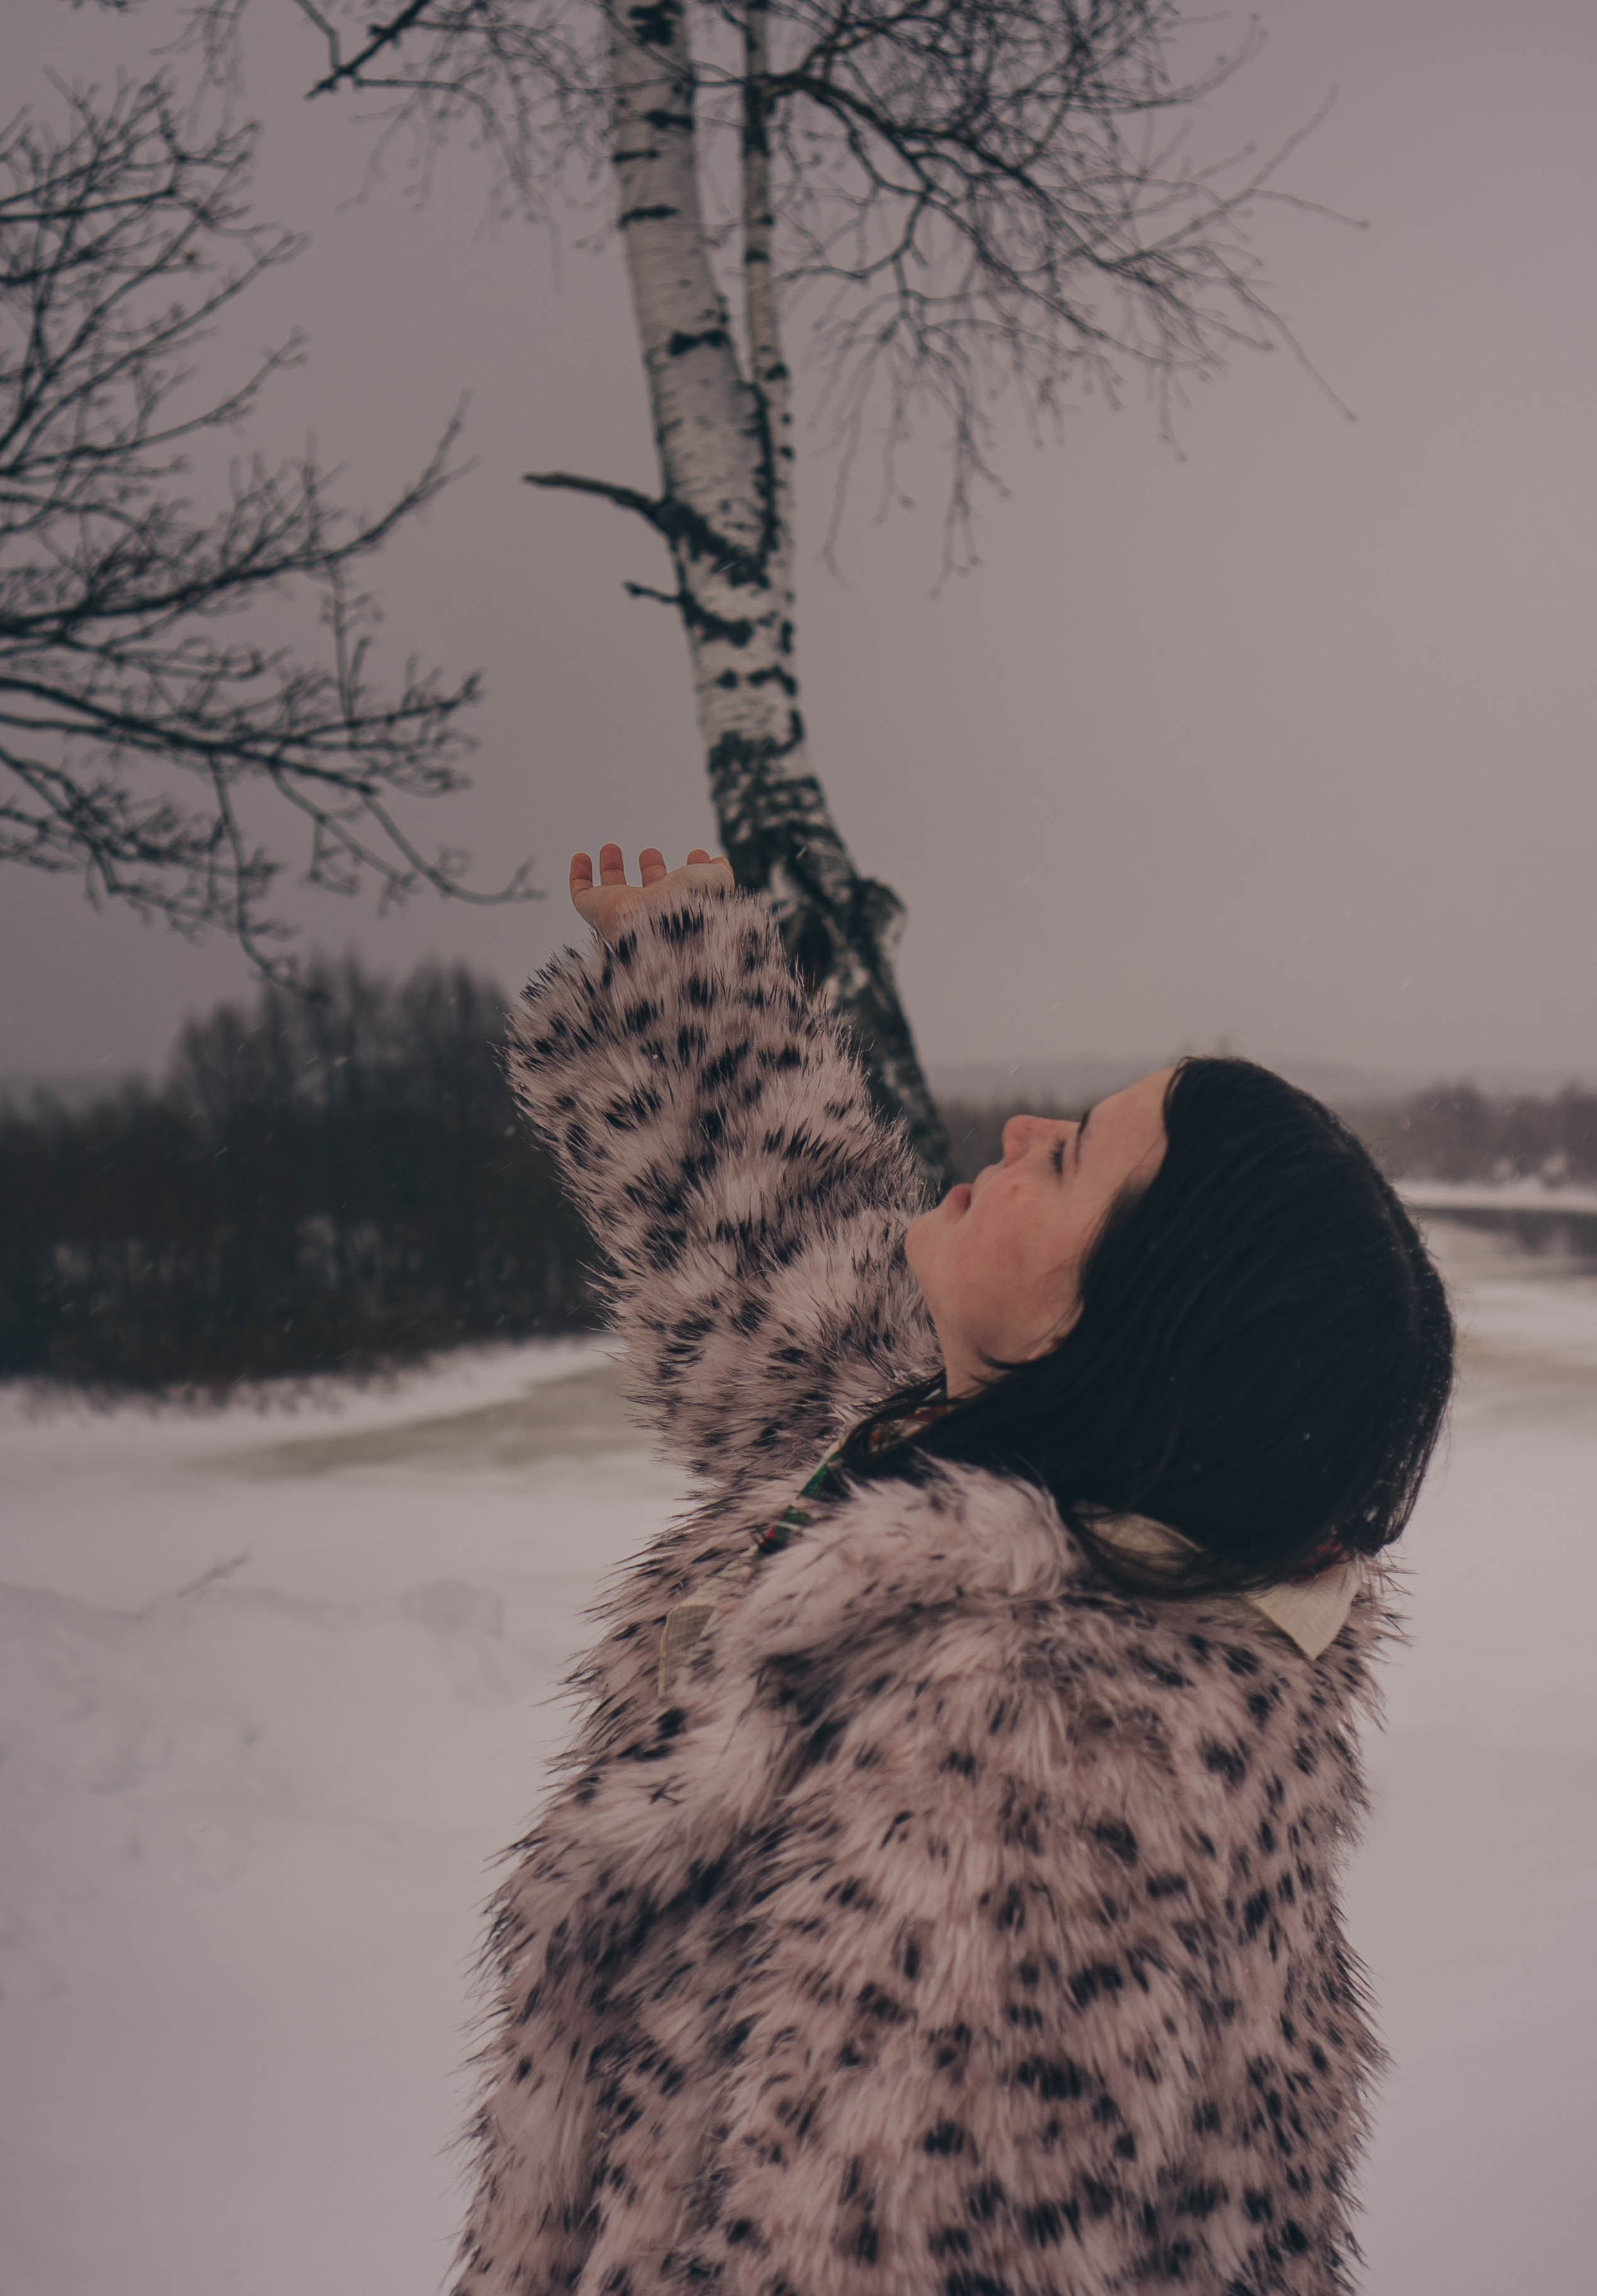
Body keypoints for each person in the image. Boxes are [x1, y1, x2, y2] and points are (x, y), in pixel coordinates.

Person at [453, 841, 1454, 2296]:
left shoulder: (1045, 1766)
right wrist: (688, 994)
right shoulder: (1001, 1469)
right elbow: (776, 1272)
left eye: (1069, 1162)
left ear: (1127, 1343)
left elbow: (873, 2246)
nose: (1021, 1130)